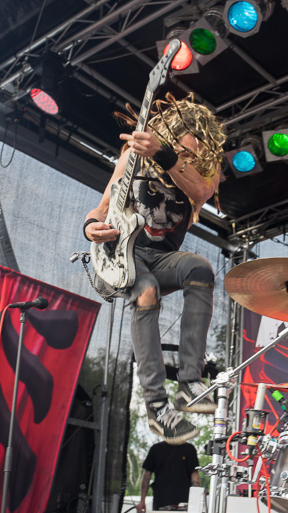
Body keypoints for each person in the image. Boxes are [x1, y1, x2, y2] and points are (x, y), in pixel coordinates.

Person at [84, 93, 225, 444]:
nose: (186, 158)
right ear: (170, 134)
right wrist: (89, 228)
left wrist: (167, 155)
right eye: (181, 149)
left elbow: (201, 191)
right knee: (145, 290)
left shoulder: (205, 172)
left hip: (161, 258)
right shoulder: (133, 158)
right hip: (123, 254)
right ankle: (157, 404)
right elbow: (102, 207)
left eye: (192, 155)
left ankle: (190, 381)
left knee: (200, 269)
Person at [135, 441, 201, 513]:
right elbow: (195, 477)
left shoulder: (156, 448)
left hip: (164, 502)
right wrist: (197, 500)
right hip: (181, 503)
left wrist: (142, 501)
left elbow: (147, 476)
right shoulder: (189, 448)